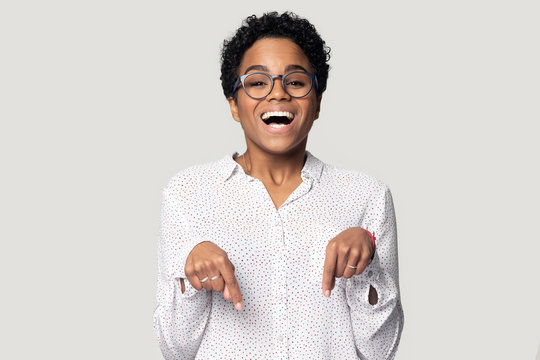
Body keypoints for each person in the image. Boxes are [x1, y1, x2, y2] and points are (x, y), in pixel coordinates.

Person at [153, 11, 404, 360]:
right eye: (257, 82)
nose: (278, 95)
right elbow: (175, 350)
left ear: (316, 103)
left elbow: (381, 351)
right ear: (234, 105)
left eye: (296, 82)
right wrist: (190, 279)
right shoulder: (186, 194)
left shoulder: (366, 196)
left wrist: (366, 268)